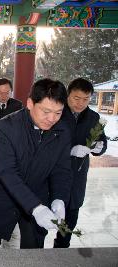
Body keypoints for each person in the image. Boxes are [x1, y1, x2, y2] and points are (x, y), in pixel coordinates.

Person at [0, 78, 73, 249]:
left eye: (58, 113)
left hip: (38, 193)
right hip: (3, 194)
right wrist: (35, 208)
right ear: (29, 103)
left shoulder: (62, 131)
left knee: (33, 248)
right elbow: (7, 172)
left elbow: (62, 169)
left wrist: (59, 198)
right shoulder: (6, 127)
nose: (52, 119)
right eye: (46, 111)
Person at [53, 78, 107, 248]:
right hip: (53, 175)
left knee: (69, 221)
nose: (81, 103)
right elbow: (45, 142)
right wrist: (69, 150)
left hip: (77, 176)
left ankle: (60, 250)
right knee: (44, 220)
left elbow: (101, 141)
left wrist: (99, 147)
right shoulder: (56, 113)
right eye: (77, 98)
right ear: (68, 95)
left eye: (86, 99)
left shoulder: (93, 117)